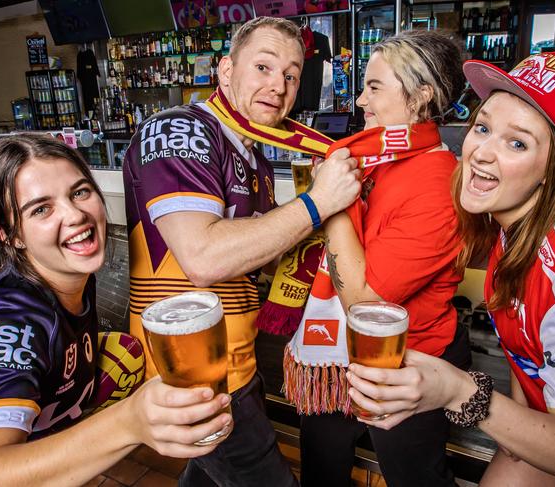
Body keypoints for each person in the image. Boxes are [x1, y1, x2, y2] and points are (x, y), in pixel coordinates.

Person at [346, 52, 555, 486]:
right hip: (550, 418)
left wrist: (461, 391)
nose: (481, 153)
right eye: (483, 127)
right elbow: (525, 349)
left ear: (554, 168)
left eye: (517, 143)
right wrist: (520, 424)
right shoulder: (514, 217)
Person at [123, 16, 361, 486]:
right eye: (264, 67)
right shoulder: (179, 130)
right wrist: (318, 204)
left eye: (291, 75)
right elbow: (206, 258)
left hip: (234, 360)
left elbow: (254, 254)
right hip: (192, 375)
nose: (279, 86)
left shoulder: (254, 153)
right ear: (225, 71)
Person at [0, 134, 233, 486]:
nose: (76, 214)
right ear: (9, 235)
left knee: (127, 352)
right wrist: (127, 422)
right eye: (41, 209)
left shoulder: (71, 276)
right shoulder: (12, 322)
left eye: (79, 192)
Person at [283, 30, 472, 487]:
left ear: (421, 96)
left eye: (375, 86)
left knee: (415, 479)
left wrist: (327, 204)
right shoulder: (379, 156)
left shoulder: (438, 184)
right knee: (321, 467)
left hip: (409, 366)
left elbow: (365, 304)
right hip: (337, 357)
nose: (362, 100)